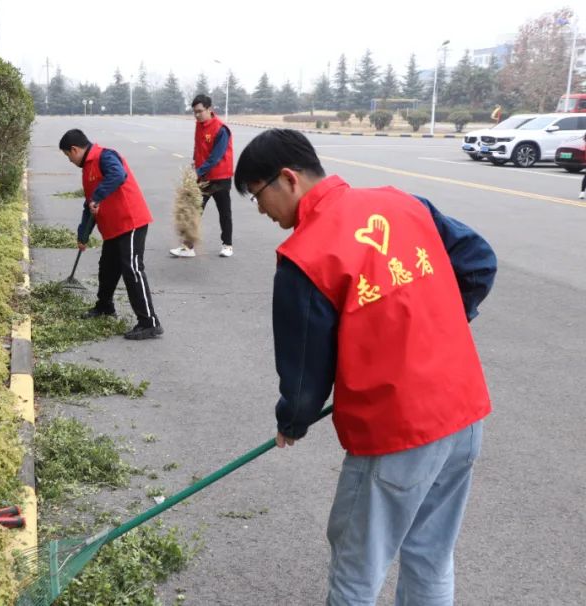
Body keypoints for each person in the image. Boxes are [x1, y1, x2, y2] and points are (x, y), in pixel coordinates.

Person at [234, 129, 497, 605]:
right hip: (464, 412)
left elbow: (304, 369)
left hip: (397, 429)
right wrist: (432, 328)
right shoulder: (403, 203)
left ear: (288, 179)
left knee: (358, 566)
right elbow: (478, 262)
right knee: (430, 555)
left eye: (258, 196)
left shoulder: (305, 255)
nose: (260, 210)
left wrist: (292, 421)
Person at [59, 129, 163, 340]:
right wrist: (83, 235)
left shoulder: (105, 156)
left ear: (74, 150)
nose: (69, 160)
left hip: (130, 222)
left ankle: (149, 322)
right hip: (114, 227)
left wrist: (97, 197)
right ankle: (105, 306)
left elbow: (118, 175)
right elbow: (89, 205)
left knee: (132, 269)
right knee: (107, 267)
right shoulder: (87, 169)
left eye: (68, 155)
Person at [170, 94, 235, 258]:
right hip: (203, 177)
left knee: (224, 212)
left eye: (200, 111)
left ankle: (227, 245)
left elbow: (216, 157)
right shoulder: (199, 125)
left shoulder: (221, 129)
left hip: (220, 177)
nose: (197, 115)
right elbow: (198, 146)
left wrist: (198, 172)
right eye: (195, 112)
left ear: (209, 109)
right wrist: (194, 161)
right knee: (193, 211)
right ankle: (188, 247)